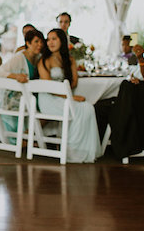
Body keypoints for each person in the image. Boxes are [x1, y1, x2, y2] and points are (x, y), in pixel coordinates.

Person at [37, 28, 101, 162]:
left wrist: (69, 95)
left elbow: (74, 82)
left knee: (88, 108)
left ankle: (81, 150)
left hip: (63, 96)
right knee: (79, 109)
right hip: (49, 99)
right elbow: (49, 87)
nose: (50, 42)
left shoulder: (69, 59)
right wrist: (70, 98)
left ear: (62, 40)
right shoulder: (44, 60)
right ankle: (72, 151)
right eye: (48, 39)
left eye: (54, 39)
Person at [0, 28, 44, 139]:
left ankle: (34, 137)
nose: (39, 45)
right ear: (28, 43)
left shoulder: (39, 58)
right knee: (45, 110)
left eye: (41, 42)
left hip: (32, 96)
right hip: (17, 99)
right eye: (36, 42)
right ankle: (28, 137)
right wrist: (16, 76)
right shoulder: (19, 57)